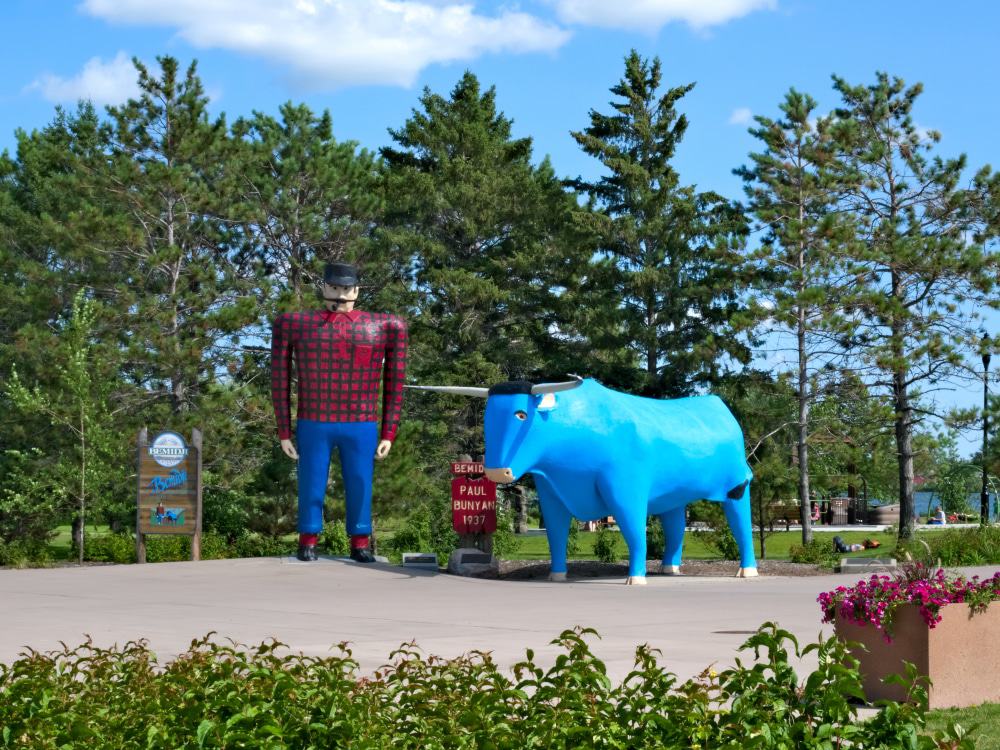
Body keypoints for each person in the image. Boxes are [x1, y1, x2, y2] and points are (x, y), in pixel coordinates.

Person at [271, 262, 408, 563]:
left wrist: (389, 431)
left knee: (360, 481)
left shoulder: (386, 327)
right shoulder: (294, 324)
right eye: (334, 287)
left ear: (357, 290)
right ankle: (308, 538)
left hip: (360, 420)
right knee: (311, 478)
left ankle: (360, 540)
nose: (340, 295)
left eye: (346, 289)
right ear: (323, 288)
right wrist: (284, 430)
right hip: (314, 419)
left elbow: (395, 383)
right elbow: (279, 378)